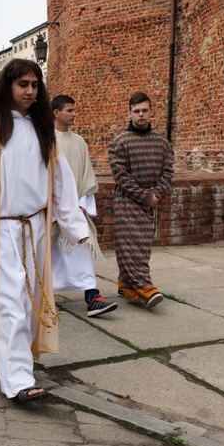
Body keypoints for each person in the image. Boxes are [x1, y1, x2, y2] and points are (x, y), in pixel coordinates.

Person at [0, 59, 89, 402]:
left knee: (30, 305)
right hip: (1, 230)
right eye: (22, 84)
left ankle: (14, 365)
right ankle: (18, 380)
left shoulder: (44, 129)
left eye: (35, 84)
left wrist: (75, 224)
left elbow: (61, 181)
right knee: (9, 303)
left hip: (35, 229)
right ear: (8, 87)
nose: (29, 91)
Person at [50, 95, 118, 317]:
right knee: (47, 255)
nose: (74, 114)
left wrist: (81, 204)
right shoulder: (46, 140)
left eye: (74, 110)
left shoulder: (79, 142)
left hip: (75, 208)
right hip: (50, 210)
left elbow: (87, 176)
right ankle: (40, 296)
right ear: (56, 113)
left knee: (82, 248)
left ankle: (92, 296)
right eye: (69, 110)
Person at [108, 92, 174, 308]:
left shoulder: (162, 141)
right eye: (136, 111)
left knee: (142, 246)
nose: (141, 114)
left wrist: (156, 194)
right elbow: (121, 175)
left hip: (151, 200)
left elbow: (168, 170)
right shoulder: (120, 141)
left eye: (144, 110)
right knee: (129, 245)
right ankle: (145, 287)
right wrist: (144, 196)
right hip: (128, 200)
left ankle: (127, 285)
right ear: (130, 113)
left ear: (150, 111)